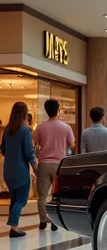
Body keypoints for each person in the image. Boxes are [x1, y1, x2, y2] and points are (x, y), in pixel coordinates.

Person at [33, 99, 75, 231]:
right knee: (56, 194)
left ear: (46, 111)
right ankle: (55, 222)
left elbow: (34, 144)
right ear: (58, 110)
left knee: (42, 195)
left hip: (44, 163)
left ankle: (42, 220)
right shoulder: (66, 127)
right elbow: (72, 145)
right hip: (60, 164)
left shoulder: (41, 127)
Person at [1, 102, 38, 237]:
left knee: (14, 199)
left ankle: (13, 227)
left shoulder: (7, 130)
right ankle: (14, 226)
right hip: (21, 170)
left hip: (8, 170)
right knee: (21, 200)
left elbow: (3, 150)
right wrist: (35, 167)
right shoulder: (25, 131)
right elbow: (29, 153)